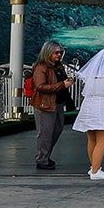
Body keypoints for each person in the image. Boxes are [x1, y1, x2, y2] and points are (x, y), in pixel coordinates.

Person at [74, 48, 104, 180]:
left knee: (92, 139)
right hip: (101, 105)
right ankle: (96, 171)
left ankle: (93, 167)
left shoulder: (90, 70)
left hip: (88, 104)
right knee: (102, 140)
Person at [28, 41, 69, 170]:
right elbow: (40, 86)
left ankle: (44, 155)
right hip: (44, 105)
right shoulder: (41, 67)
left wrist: (65, 82)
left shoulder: (57, 66)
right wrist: (62, 85)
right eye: (56, 52)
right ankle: (42, 159)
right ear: (48, 52)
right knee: (45, 133)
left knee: (57, 130)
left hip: (57, 103)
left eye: (60, 52)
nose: (59, 55)